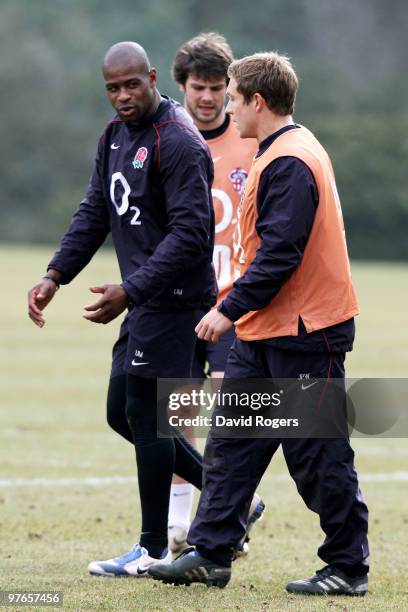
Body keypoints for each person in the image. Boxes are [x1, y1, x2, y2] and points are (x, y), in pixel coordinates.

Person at [149, 52, 370, 596]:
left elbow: (280, 256)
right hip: (267, 328)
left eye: (232, 97)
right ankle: (211, 553)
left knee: (317, 456)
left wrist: (226, 309)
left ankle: (347, 567)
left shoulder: (290, 160)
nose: (226, 107)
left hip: (305, 330)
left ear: (257, 102)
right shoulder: (278, 151)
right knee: (231, 444)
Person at [27, 41, 217, 576]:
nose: (123, 96)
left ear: (152, 77)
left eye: (131, 84)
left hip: (176, 301)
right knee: (123, 414)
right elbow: (95, 211)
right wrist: (55, 275)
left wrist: (130, 290)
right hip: (146, 299)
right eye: (112, 88)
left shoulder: (178, 142)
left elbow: (191, 234)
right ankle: (232, 499)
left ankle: (153, 548)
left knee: (148, 418)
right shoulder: (114, 135)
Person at [167, 32, 263, 554]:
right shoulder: (168, 139)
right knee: (178, 415)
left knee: (230, 420)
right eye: (197, 87)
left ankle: (225, 522)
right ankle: (181, 527)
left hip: (233, 303)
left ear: (231, 90)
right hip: (181, 301)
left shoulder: (252, 141)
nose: (206, 98)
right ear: (182, 87)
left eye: (215, 88)